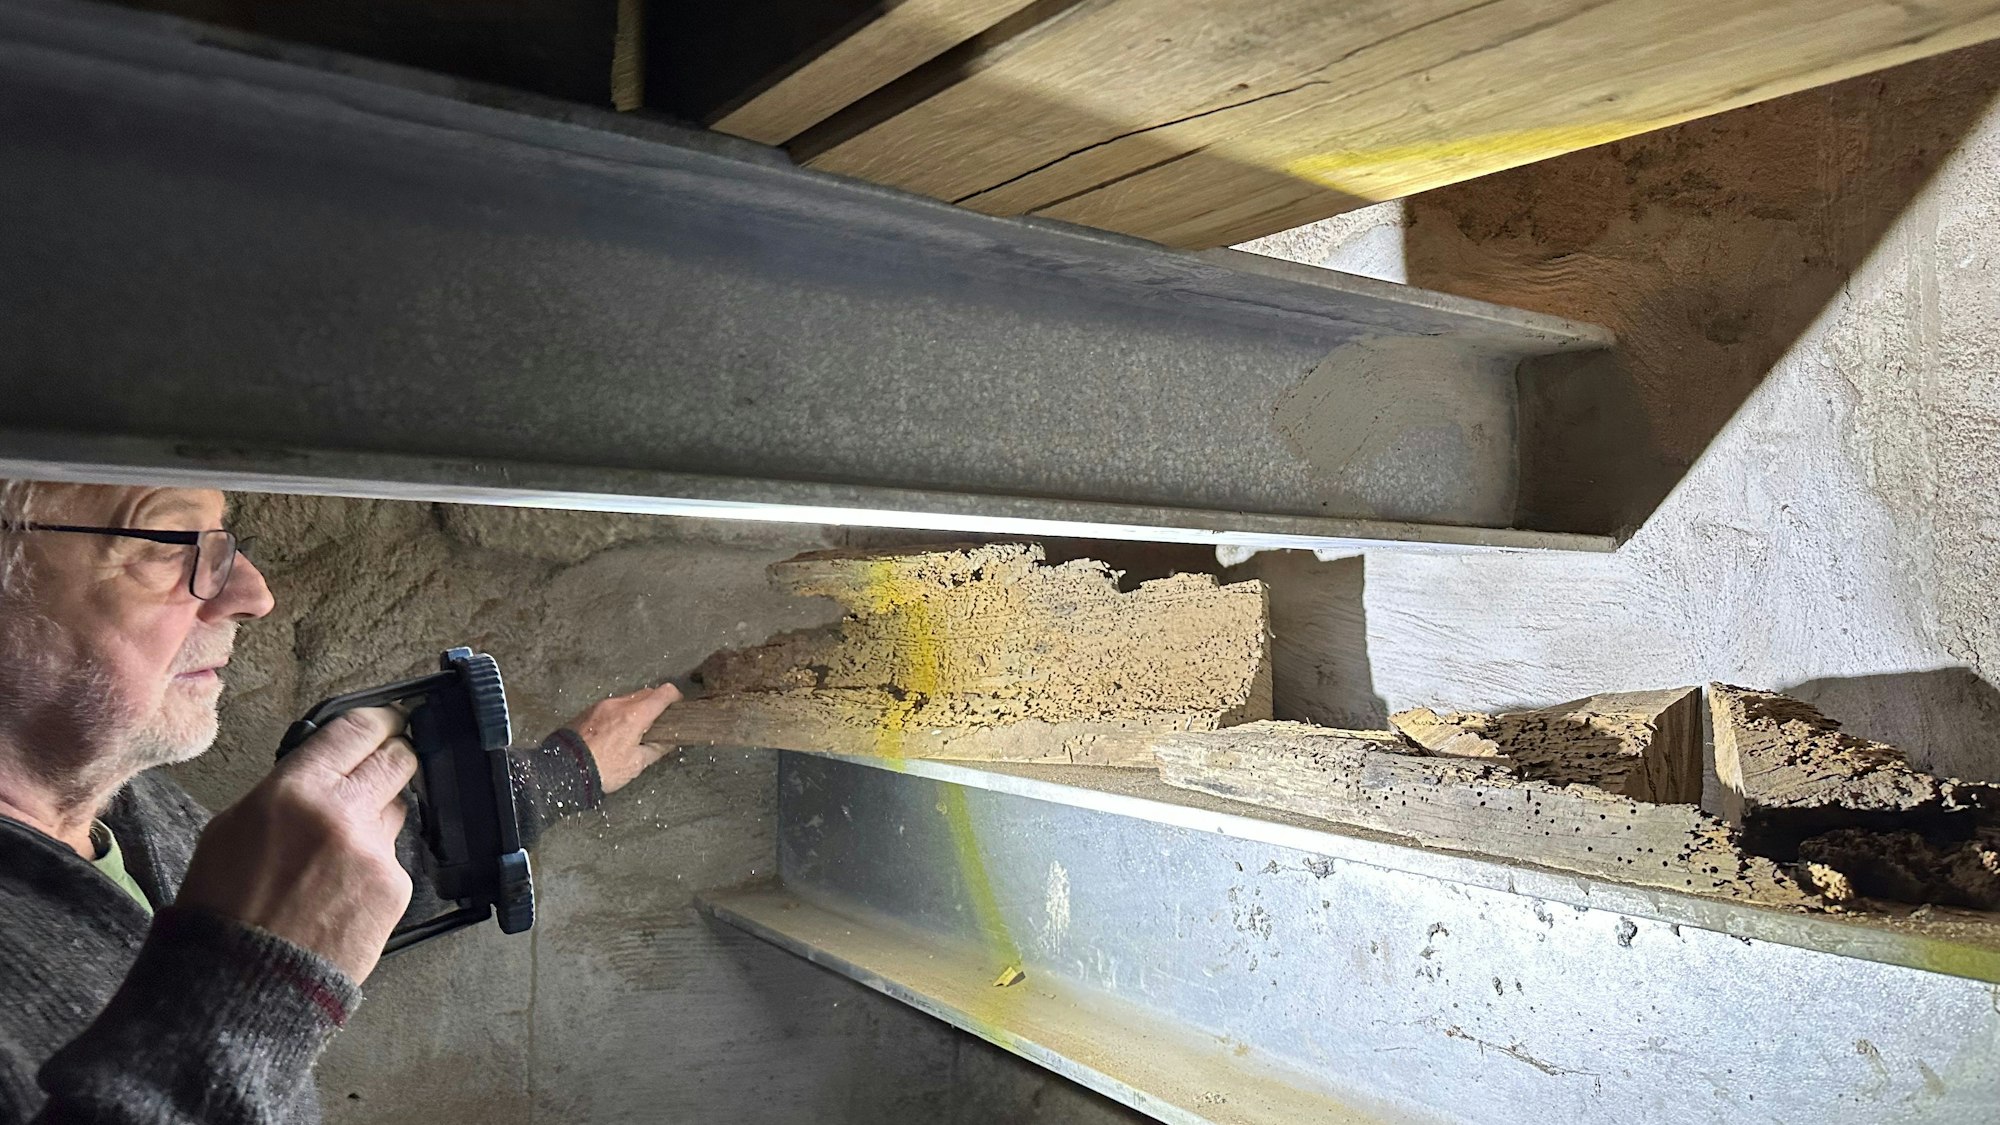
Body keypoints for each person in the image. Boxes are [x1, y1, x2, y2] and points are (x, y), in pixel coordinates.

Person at [0, 481, 682, 1123]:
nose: (252, 592)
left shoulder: (128, 809)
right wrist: (251, 981)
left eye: (221, 541)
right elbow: (252, 953)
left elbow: (319, 888)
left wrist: (564, 773)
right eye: (170, 542)